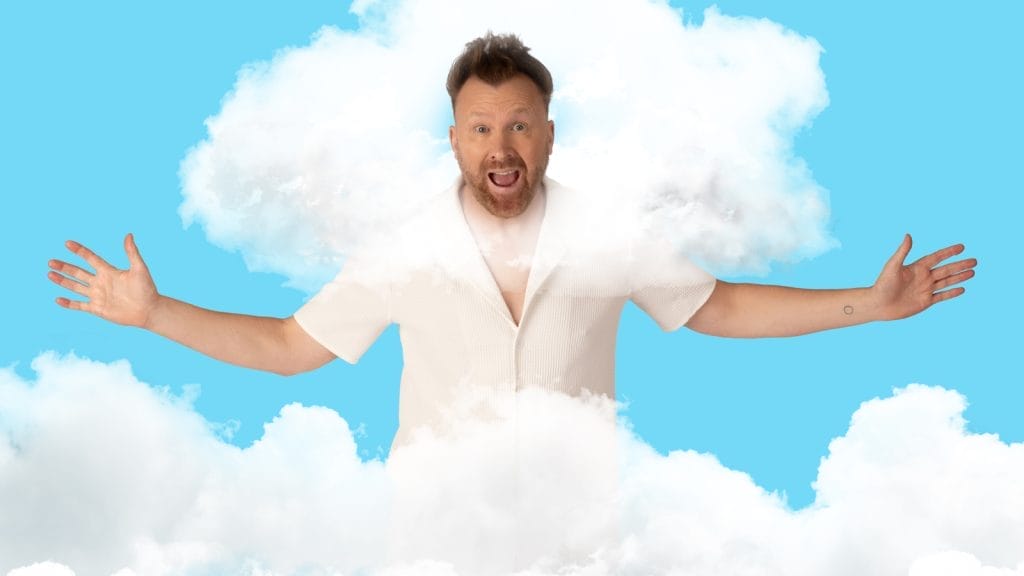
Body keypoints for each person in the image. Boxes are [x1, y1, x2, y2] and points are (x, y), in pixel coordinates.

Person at [47, 33, 977, 449]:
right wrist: (155, 312)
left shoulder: (608, 233)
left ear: (549, 136)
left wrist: (869, 305)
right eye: (482, 127)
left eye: (521, 125)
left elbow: (719, 307)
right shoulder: (403, 246)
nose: (502, 146)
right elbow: (293, 348)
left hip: (586, 540)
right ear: (454, 138)